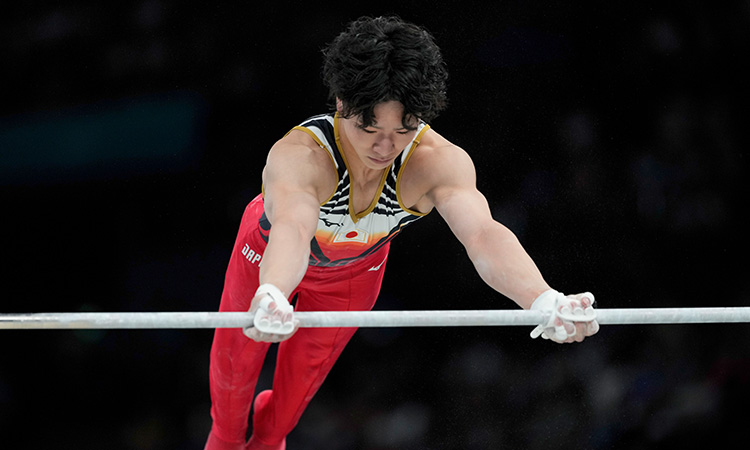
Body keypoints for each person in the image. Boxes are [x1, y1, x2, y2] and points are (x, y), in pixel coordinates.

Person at [204, 15, 599, 450]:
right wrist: (273, 292)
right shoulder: (303, 156)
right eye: (369, 129)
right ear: (340, 104)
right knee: (231, 392)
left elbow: (483, 235)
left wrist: (543, 299)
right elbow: (294, 228)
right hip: (268, 255)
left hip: (353, 277)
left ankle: (269, 437)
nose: (384, 148)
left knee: (286, 412)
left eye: (402, 131)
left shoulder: (435, 161)